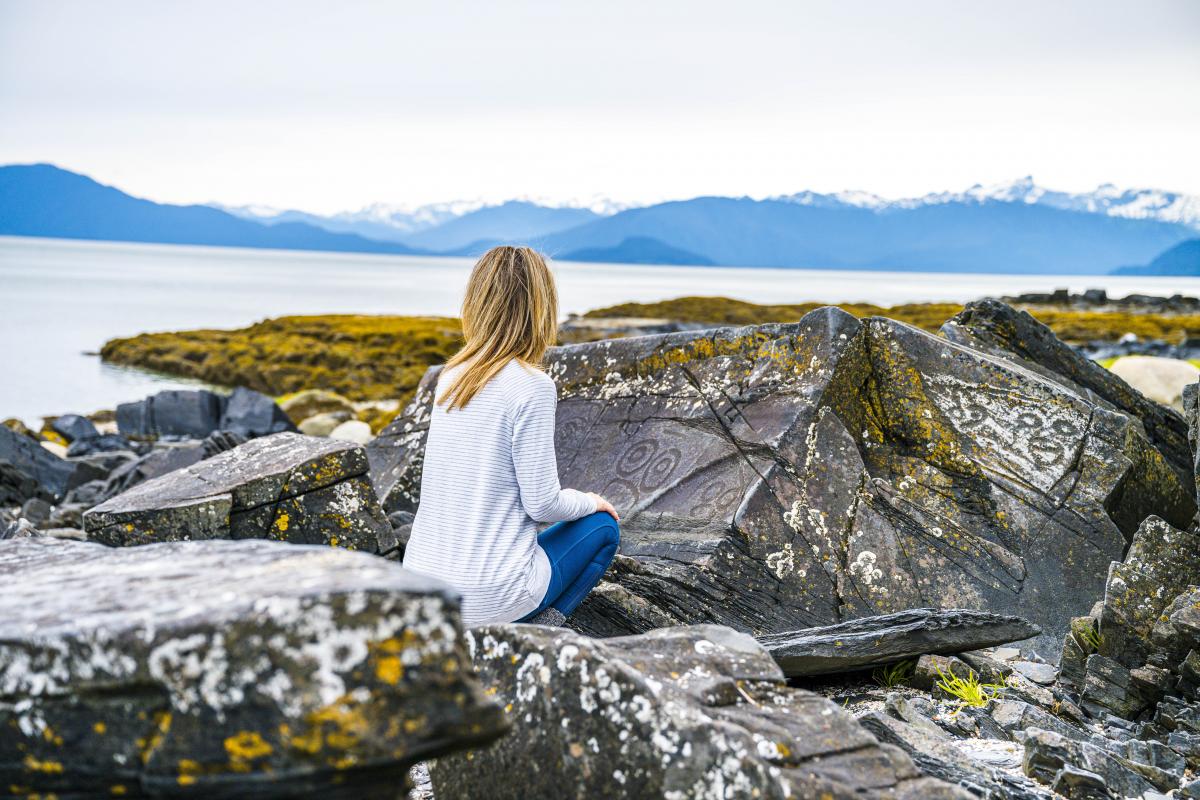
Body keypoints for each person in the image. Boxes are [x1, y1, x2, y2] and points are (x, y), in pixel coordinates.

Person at [403, 245, 620, 627]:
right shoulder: (531, 386)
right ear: (541, 307)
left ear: (476, 303)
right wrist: (590, 501)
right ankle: (540, 631)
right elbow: (542, 505)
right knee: (603, 528)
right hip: (490, 599)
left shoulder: (450, 379)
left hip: (422, 591)